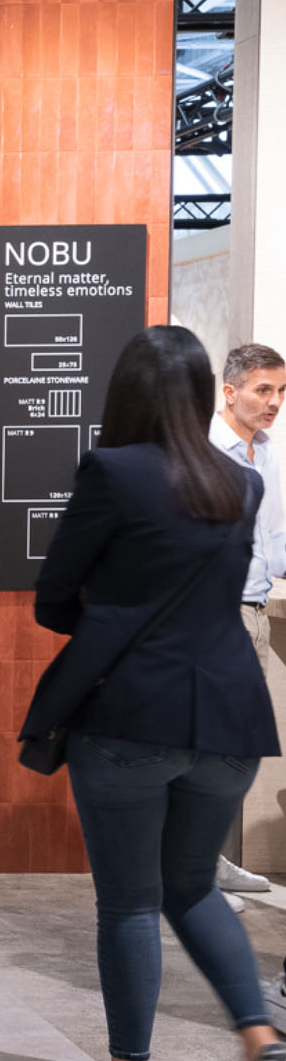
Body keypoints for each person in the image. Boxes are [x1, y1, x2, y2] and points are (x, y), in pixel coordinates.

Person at [25, 325, 286, 1061]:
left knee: (131, 902)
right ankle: (264, 1044)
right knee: (194, 887)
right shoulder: (238, 484)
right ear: (208, 392)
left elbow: (53, 599)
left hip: (131, 714)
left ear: (125, 395)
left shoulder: (113, 472)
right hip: (231, 718)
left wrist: (110, 613)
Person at [204, 342, 286, 910]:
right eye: (264, 389)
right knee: (209, 744)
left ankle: (207, 855)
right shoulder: (207, 451)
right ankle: (193, 869)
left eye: (281, 392)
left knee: (234, 748)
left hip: (256, 611)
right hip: (215, 615)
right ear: (229, 392)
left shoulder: (272, 452)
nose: (274, 402)